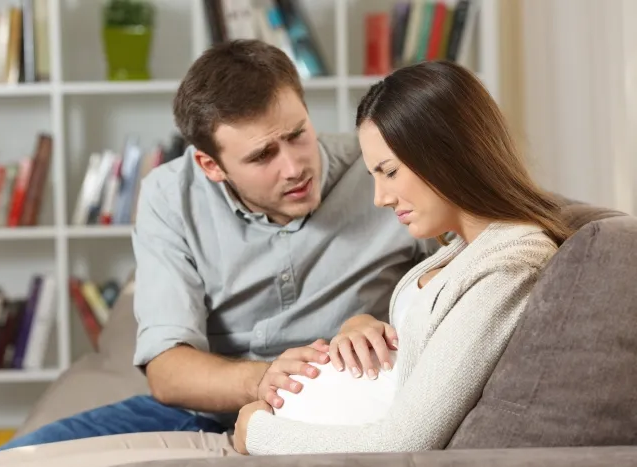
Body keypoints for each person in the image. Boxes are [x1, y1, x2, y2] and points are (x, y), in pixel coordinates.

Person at [0, 40, 436, 467]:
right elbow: (168, 371)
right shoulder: (170, 196)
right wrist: (263, 378)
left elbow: (460, 274)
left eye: (297, 134)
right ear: (210, 165)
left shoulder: (382, 170)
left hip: (328, 405)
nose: (294, 167)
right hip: (203, 409)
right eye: (261, 156)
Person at [230, 60, 574, 455]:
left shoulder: (512, 264)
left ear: (448, 153)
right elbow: (421, 348)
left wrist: (254, 430)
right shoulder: (469, 246)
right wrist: (364, 325)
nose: (380, 198)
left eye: (389, 172)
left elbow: (405, 442)